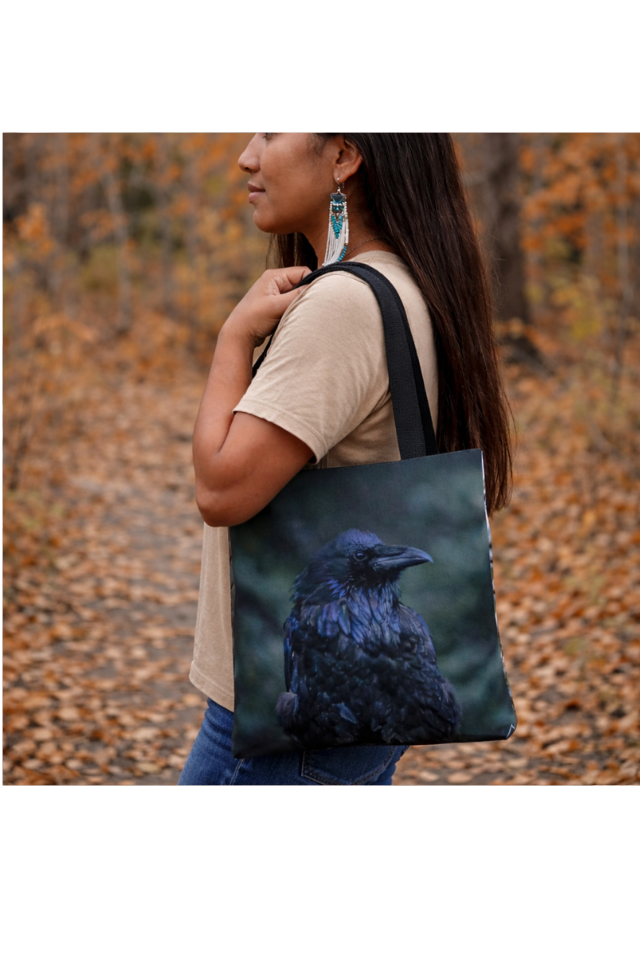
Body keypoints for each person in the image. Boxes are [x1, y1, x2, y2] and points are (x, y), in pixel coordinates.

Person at [178, 132, 512, 785]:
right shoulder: (404, 281)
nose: (247, 156)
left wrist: (233, 337)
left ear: (344, 157)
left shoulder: (340, 306)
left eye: (271, 134)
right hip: (350, 720)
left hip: (292, 729)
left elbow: (220, 490)